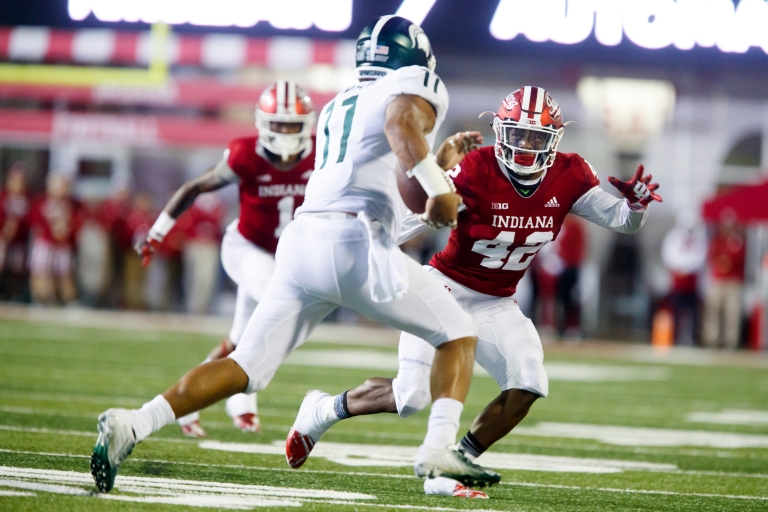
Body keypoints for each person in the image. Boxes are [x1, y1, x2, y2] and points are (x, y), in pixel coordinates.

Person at [91, 15, 501, 494]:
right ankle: (438, 446)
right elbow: (399, 123)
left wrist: (437, 171)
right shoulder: (414, 86)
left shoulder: (339, 104)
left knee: (245, 365)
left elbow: (398, 184)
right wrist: (436, 183)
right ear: (415, 59)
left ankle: (133, 423)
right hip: (355, 243)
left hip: (303, 242)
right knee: (457, 332)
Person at [288, 86, 662, 498]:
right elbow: (408, 223)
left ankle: (452, 466)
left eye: (536, 138)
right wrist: (362, 244)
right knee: (412, 395)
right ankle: (322, 411)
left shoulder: (570, 174)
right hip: (443, 288)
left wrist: (636, 206)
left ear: (553, 140)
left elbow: (621, 221)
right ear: (501, 132)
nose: (525, 147)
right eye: (517, 136)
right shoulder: (473, 169)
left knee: (528, 383)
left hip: (497, 299)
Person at [133, 80, 317, 437]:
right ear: (263, 123)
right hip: (246, 248)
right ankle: (242, 400)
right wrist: (156, 233)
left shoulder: (320, 154)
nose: (284, 132)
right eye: (277, 123)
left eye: (292, 125)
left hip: (284, 256)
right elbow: (194, 187)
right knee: (277, 308)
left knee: (241, 338)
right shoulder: (244, 154)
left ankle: (193, 405)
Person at [28, 173, 82, 304]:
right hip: (44, 242)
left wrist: (66, 230)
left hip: (62, 244)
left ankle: (68, 299)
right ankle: (40, 298)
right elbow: (35, 222)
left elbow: (76, 222)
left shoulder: (71, 204)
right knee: (40, 270)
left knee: (64, 272)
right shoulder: (42, 201)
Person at [660, 210, 707, 345]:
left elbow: (700, 256)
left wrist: (688, 267)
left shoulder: (698, 238)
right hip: (678, 280)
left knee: (694, 312)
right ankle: (673, 338)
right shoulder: (673, 237)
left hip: (692, 281)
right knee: (675, 310)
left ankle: (692, 338)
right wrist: (681, 267)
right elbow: (669, 255)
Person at [702, 213, 746, 349]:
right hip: (718, 279)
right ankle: (712, 338)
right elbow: (712, 256)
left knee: (732, 312)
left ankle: (730, 340)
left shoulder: (737, 240)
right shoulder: (717, 240)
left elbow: (737, 257)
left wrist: (726, 261)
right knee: (713, 310)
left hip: (733, 281)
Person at [0, 163, 31, 301]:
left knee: (17, 269)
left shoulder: (27, 199)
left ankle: (14, 295)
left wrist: (18, 226)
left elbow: (30, 219)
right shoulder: (3, 197)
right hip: (2, 238)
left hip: (19, 240)